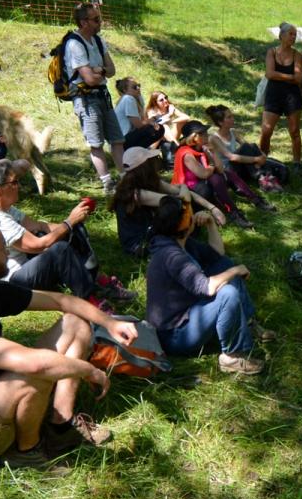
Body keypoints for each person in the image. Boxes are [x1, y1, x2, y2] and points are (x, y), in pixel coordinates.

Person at [0, 214, 134, 469]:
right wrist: (90, 370)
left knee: (75, 322)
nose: (7, 253)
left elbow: (61, 301)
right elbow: (34, 365)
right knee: (35, 370)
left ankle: (60, 423)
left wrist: (110, 323)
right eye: (1, 248)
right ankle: (27, 452)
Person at [0, 160, 136, 309]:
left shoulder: (0, 205)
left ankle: (97, 281)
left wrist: (71, 226)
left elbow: (38, 225)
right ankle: (90, 300)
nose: (18, 185)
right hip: (13, 282)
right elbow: (37, 245)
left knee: (70, 231)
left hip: (26, 264)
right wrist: (69, 222)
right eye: (14, 182)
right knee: (60, 250)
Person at [146, 196, 272, 375]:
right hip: (175, 335)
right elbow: (207, 288)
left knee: (225, 265)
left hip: (189, 314)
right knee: (227, 292)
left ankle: (248, 324)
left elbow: (218, 254)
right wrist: (235, 271)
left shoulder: (181, 242)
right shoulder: (172, 256)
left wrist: (211, 224)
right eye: (190, 213)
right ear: (184, 224)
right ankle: (232, 356)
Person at [111, 146, 230, 259]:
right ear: (145, 166)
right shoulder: (136, 194)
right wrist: (183, 189)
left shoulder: (148, 181)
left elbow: (184, 192)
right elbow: (180, 199)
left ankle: (188, 235)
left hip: (152, 232)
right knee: (176, 207)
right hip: (140, 245)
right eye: (152, 160)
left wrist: (213, 208)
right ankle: (187, 236)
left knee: (194, 193)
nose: (156, 163)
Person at [63, 2, 124, 194]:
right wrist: (97, 73)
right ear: (83, 22)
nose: (100, 22)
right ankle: (107, 183)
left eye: (99, 18)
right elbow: (89, 79)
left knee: (117, 139)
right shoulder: (74, 44)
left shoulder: (98, 40)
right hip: (85, 100)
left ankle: (125, 177)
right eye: (96, 19)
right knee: (96, 142)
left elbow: (112, 70)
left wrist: (100, 71)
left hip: (103, 96)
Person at [173, 120, 259, 229]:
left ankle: (255, 199)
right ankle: (233, 212)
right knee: (215, 178)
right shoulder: (186, 154)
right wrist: (212, 165)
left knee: (228, 174)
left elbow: (221, 169)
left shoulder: (203, 148)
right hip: (190, 191)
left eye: (206, 132)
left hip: (203, 185)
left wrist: (213, 152)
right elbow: (203, 174)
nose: (207, 135)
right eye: (203, 133)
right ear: (194, 137)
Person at [205, 105, 284, 196]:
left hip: (240, 166)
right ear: (220, 122)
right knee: (246, 147)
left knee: (251, 146)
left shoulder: (233, 131)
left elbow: (249, 147)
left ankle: (267, 176)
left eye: (232, 116)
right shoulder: (214, 138)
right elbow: (231, 157)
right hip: (229, 171)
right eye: (229, 117)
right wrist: (256, 159)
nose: (233, 119)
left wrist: (262, 156)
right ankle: (262, 178)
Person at [259, 21, 302, 166]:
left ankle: (297, 162)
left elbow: (299, 78)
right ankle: (262, 160)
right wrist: (289, 77)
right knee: (266, 131)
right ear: (282, 35)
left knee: (294, 131)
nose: (293, 37)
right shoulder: (271, 52)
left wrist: (281, 76)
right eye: (291, 34)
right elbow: (269, 74)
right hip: (274, 95)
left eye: (295, 35)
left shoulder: (297, 55)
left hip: (292, 97)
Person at [114, 77, 166, 152]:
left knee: (157, 128)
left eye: (138, 85)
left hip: (128, 137)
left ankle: (140, 152)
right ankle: (135, 152)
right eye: (134, 87)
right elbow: (138, 125)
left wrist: (151, 121)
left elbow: (142, 120)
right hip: (122, 141)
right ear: (125, 90)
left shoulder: (137, 98)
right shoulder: (128, 98)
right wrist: (152, 120)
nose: (138, 88)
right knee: (157, 129)